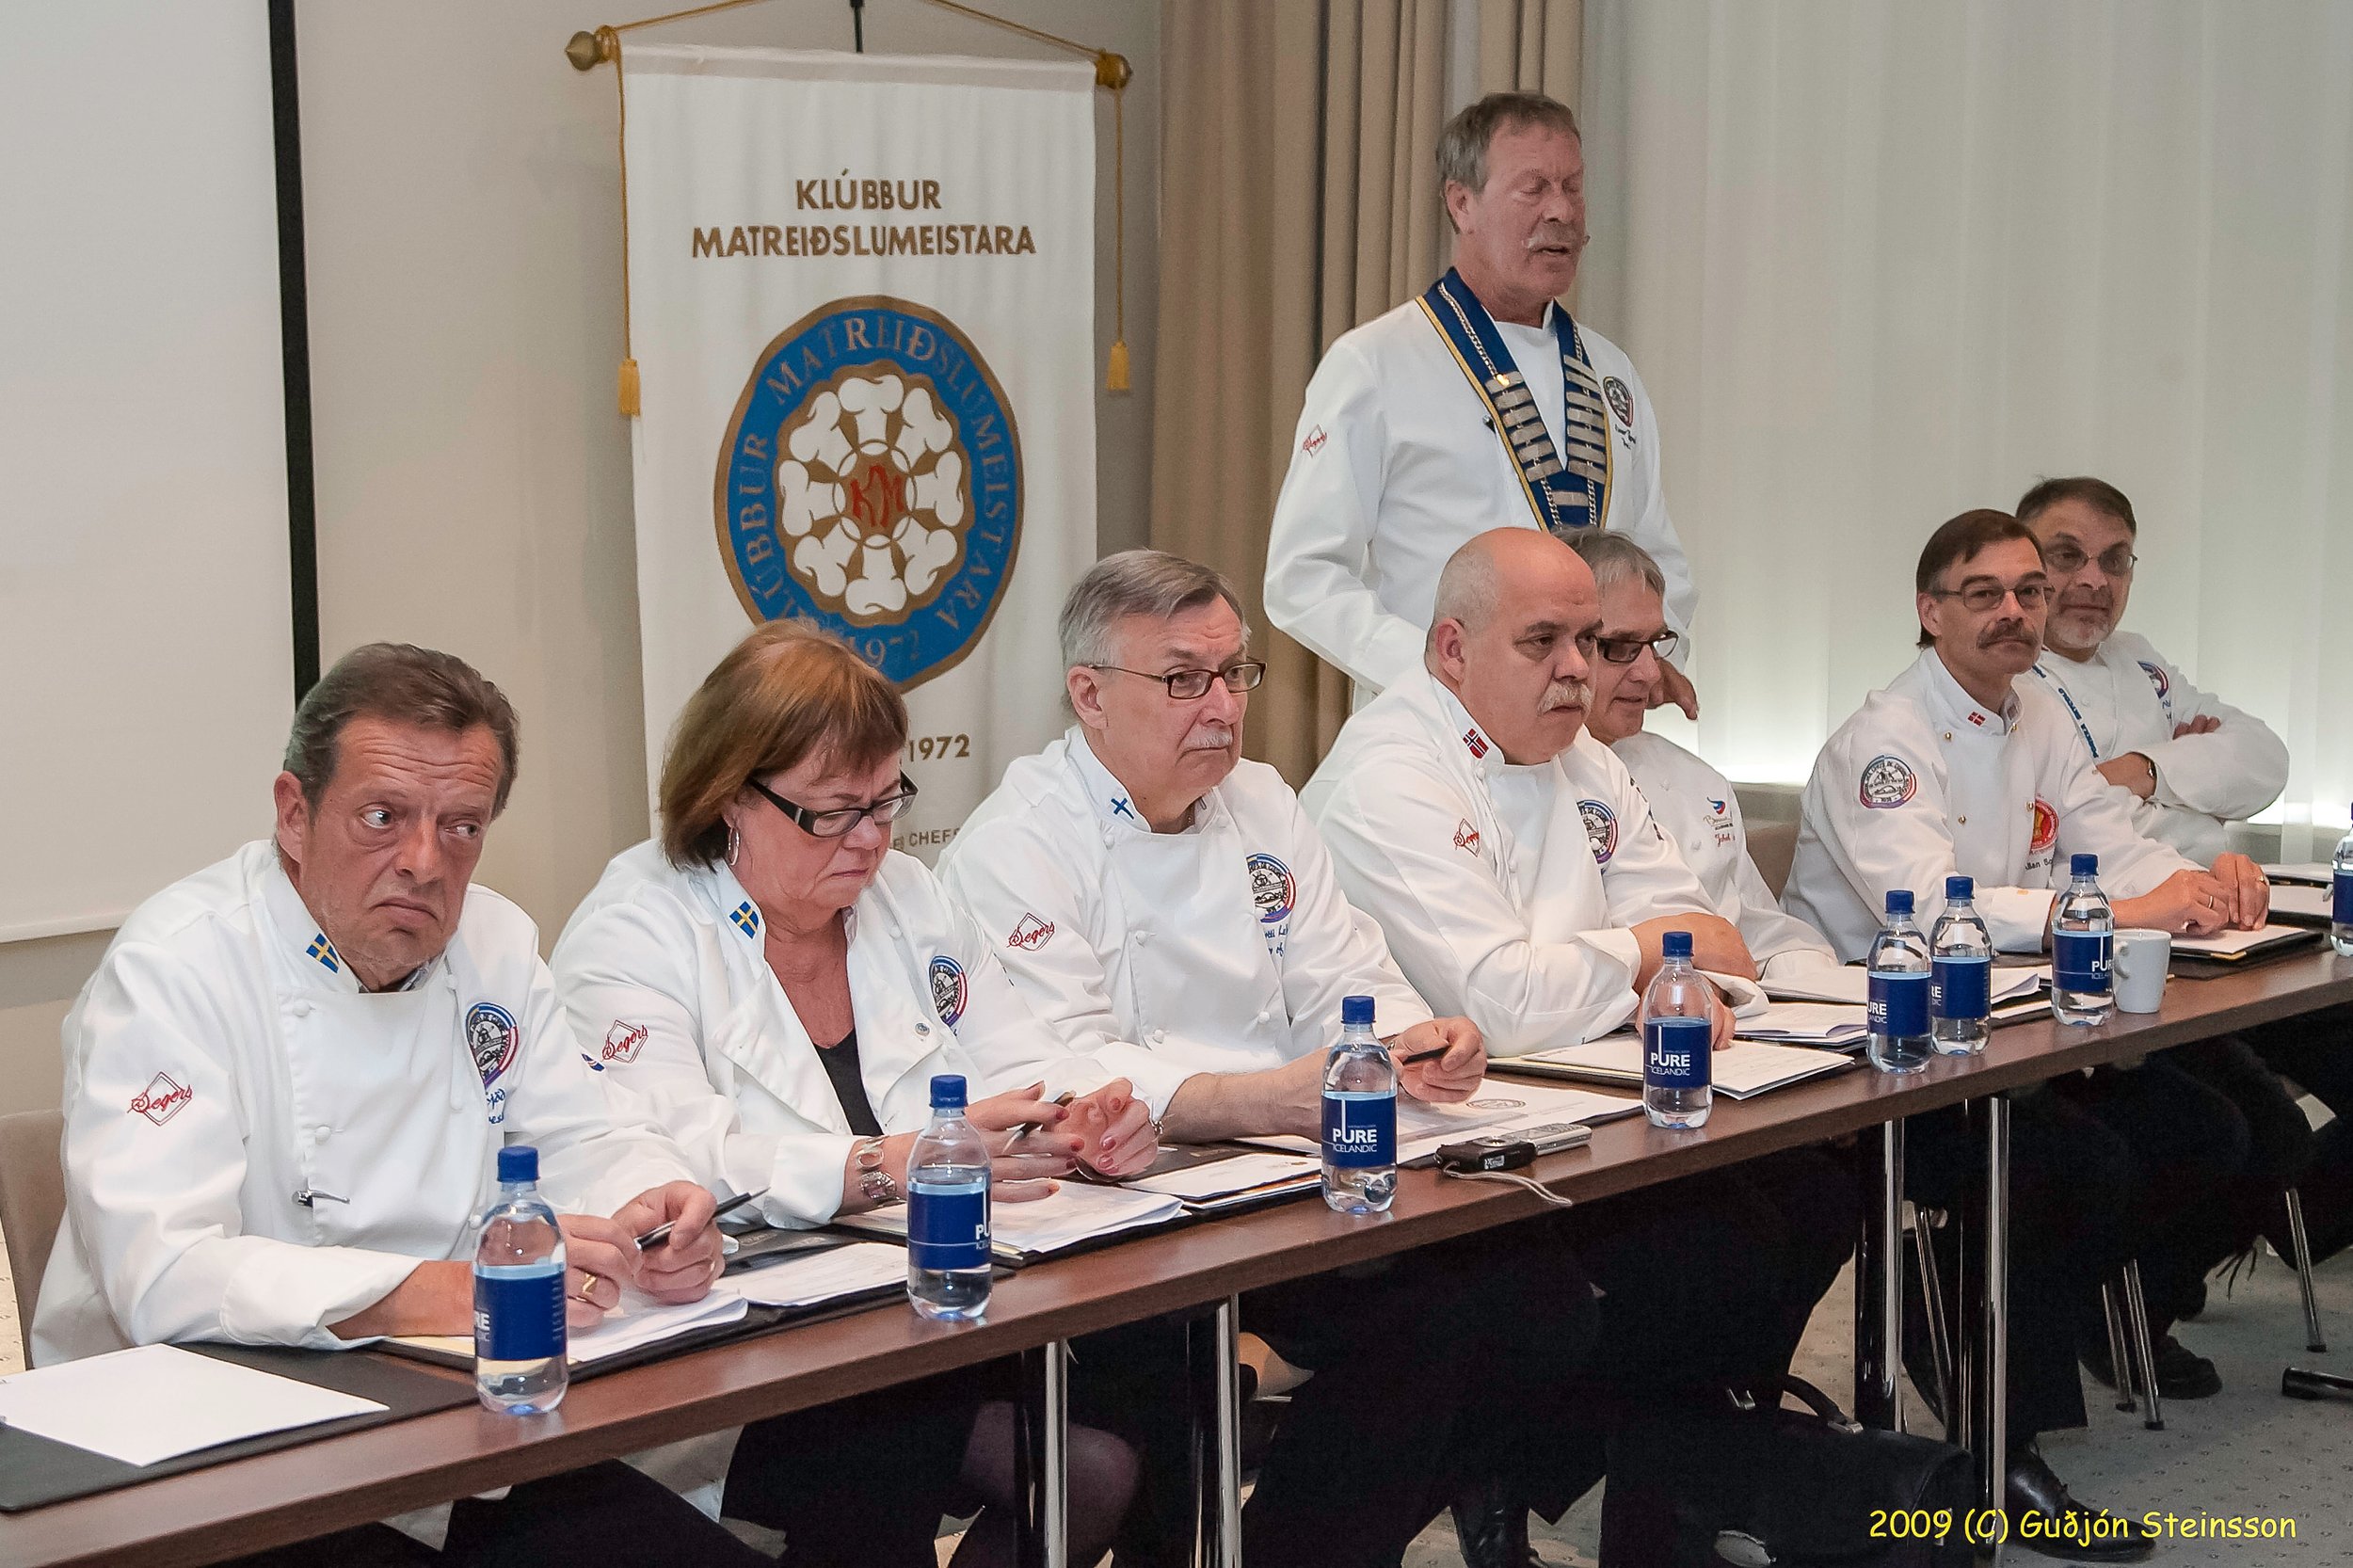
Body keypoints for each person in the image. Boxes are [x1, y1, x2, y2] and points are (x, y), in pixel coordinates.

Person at [32, 644, 768, 1568]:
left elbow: (583, 1134)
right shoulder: (175, 969)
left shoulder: (495, 942)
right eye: (382, 817)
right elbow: (166, 1276)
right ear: (294, 814)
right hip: (208, 1466)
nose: (424, 862)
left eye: (461, 826)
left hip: (452, 1427)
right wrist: (456, 1290)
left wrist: (654, 1206)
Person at [938, 550, 1597, 1568]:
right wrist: (1264, 1099)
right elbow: (1058, 1070)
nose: (1221, 706)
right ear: (1090, 695)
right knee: (1182, 1369)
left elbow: (1346, 975)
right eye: (1181, 679)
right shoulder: (1016, 841)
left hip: (1284, 1182)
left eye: (1232, 673)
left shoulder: (1261, 800)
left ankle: (1298, 1545)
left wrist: (1416, 1042)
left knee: (1530, 1296)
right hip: (1124, 1213)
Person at [551, 620, 1149, 1568]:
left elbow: (1018, 1063)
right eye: (832, 813)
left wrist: (1084, 1120)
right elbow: (673, 1163)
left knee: (1117, 1441)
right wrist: (883, 1164)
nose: (870, 840)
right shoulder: (633, 932)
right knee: (924, 1445)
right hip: (744, 1356)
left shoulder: (909, 896)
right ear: (730, 796)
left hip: (924, 1314)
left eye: (885, 802)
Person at [1302, 529, 1853, 1550]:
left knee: (1814, 1197)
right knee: (1685, 1263)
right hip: (1443, 1143)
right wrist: (1644, 962)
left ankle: (1647, 1495)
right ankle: (1574, 1479)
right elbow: (1504, 999)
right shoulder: (1391, 774)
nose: (1576, 670)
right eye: (1542, 641)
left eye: (1588, 641)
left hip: (1587, 1103)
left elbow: (1708, 935)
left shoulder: (1582, 755)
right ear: (1451, 650)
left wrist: (1661, 972)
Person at [1785, 511, 2270, 1559]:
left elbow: (2111, 844)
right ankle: (2002, 1439)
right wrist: (2119, 912)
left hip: (2013, 1030)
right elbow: (1926, 909)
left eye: (2027, 592)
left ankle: (1963, 1307)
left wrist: (2196, 885)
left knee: (2206, 1132)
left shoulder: (2038, 713)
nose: (2014, 611)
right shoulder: (1886, 740)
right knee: (2073, 1169)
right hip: (1879, 1055)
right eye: (1984, 593)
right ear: (1929, 611)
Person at [1263, 89, 1700, 715]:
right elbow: (1303, 574)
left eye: (1573, 188)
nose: (1561, 211)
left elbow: (1655, 554)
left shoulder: (1612, 373)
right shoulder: (1375, 364)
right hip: (1441, 729)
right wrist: (1440, 672)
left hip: (1585, 733)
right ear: (1461, 203)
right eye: (1533, 188)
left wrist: (1652, 657)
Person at [2021, 474, 2346, 1304]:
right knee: (2247, 1133)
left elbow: (2263, 757)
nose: (2093, 580)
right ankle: (2136, 1303)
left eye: (2115, 561)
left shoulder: (2140, 662)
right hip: (2138, 954)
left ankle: (2208, 1262)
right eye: (2067, 556)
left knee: (2278, 1127)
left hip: (2226, 929)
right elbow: (2079, 832)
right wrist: (2191, 788)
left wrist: (2144, 770)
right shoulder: (2014, 683)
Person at [1566, 531, 1843, 982]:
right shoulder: (1525, 780)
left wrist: (1812, 976)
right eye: (1621, 647)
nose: (1650, 672)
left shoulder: (1697, 781)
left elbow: (1757, 930)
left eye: (1655, 643)